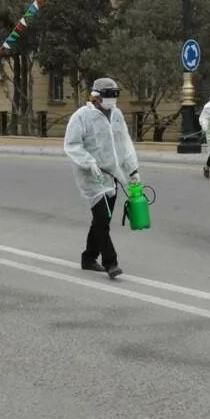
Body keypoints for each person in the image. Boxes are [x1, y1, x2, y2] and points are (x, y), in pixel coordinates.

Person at [63, 77, 140, 280]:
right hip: (91, 176)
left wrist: (132, 170)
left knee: (101, 219)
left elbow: (125, 143)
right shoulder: (82, 116)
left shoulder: (117, 115)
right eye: (108, 95)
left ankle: (88, 258)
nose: (112, 99)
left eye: (115, 95)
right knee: (102, 219)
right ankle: (111, 262)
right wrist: (89, 163)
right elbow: (72, 144)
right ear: (96, 96)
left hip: (112, 174)